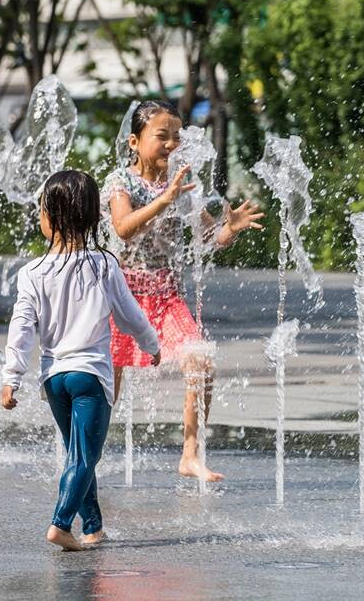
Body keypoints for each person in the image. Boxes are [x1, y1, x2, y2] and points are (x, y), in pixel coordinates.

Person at [103, 100, 263, 483]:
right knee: (108, 382)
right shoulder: (120, 183)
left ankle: (190, 455)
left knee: (201, 362)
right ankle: (87, 453)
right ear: (134, 141)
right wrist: (164, 200)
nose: (172, 144)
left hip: (165, 296)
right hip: (120, 295)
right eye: (162, 136)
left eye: (176, 136)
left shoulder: (182, 187)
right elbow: (123, 227)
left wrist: (230, 228)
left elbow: (209, 237)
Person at [0, 170, 161, 551]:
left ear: (50, 218)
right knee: (86, 457)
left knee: (79, 455)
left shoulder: (32, 272)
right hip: (90, 377)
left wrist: (12, 377)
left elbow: (21, 328)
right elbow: (130, 315)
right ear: (92, 217)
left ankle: (93, 527)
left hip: (54, 380)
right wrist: (152, 345)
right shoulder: (103, 265)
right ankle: (60, 524)